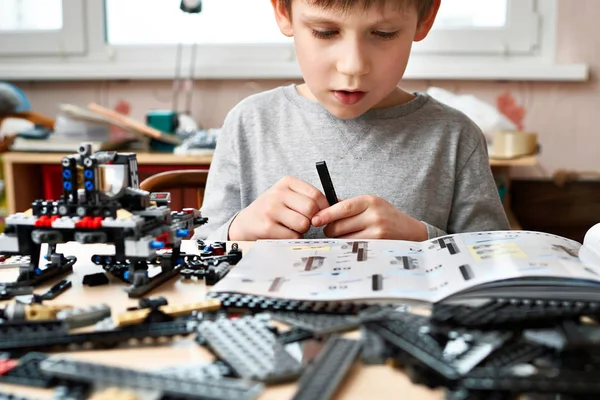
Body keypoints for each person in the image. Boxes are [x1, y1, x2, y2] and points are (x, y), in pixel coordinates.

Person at [195, 0, 509, 241]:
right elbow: (199, 251)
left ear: (424, 18)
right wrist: (237, 230)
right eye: (325, 31)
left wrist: (420, 238)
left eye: (383, 33)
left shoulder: (455, 137)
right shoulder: (249, 123)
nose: (353, 66)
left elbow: (494, 261)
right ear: (283, 11)